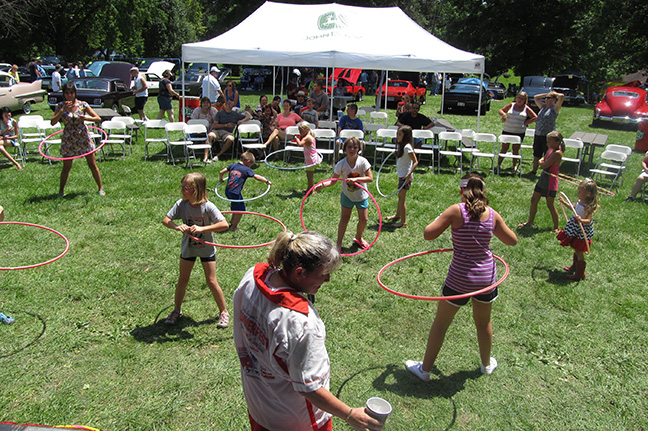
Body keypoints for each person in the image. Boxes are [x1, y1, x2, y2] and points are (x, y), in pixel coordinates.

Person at [233, 230, 384, 431]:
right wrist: (349, 414)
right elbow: (309, 386)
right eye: (323, 274)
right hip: (297, 420)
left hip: (260, 407)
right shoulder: (301, 322)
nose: (328, 280)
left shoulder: (252, 276)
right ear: (300, 272)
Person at [405, 174, 518, 381]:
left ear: (461, 191)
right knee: (483, 323)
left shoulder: (456, 211)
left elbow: (428, 234)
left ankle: (425, 370)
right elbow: (512, 240)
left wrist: (440, 217)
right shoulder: (492, 214)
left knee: (441, 324)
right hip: (485, 278)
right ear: (483, 191)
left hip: (460, 278)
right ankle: (486, 365)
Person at [162, 172, 231, 328]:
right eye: (182, 186)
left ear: (197, 189)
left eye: (186, 187)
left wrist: (203, 228)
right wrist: (177, 226)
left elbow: (224, 225)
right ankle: (177, 310)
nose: (182, 190)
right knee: (182, 280)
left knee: (211, 281)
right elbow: (166, 220)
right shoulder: (181, 204)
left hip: (206, 249)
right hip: (188, 248)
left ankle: (224, 312)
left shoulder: (208, 207)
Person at [315, 137, 373, 251]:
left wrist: (356, 180)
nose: (352, 149)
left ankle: (359, 237)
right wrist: (322, 185)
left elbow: (370, 178)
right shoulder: (341, 164)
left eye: (355, 147)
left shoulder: (363, 162)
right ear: (345, 148)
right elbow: (333, 181)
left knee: (364, 219)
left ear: (359, 149)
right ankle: (339, 243)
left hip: (361, 196)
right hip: (347, 195)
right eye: (349, 147)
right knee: (344, 218)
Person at [50, 82, 104, 196]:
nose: (69, 95)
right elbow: (52, 122)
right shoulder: (60, 106)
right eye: (67, 93)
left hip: (82, 137)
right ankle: (61, 191)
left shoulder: (82, 105)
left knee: (92, 164)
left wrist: (86, 118)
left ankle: (100, 188)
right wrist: (62, 110)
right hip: (69, 138)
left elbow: (98, 118)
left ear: (75, 93)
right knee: (66, 167)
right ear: (64, 94)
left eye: (71, 93)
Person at [519, 131, 564, 232]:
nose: (547, 143)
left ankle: (556, 227)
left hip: (550, 181)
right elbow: (543, 160)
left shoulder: (557, 153)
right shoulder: (550, 150)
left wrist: (541, 162)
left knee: (550, 204)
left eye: (549, 142)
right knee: (534, 199)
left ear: (556, 143)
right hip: (543, 178)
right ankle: (530, 222)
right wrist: (541, 161)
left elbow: (544, 164)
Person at [556, 179, 599, 281]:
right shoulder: (580, 202)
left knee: (579, 251)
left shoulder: (588, 206)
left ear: (588, 194)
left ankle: (580, 273)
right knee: (575, 248)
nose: (578, 193)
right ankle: (574, 266)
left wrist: (581, 220)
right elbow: (574, 208)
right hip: (576, 228)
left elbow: (588, 220)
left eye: (580, 192)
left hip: (582, 230)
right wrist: (564, 202)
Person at [218, 152, 271, 231]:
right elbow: (256, 177)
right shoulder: (246, 169)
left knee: (235, 205)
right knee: (241, 210)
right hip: (235, 192)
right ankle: (234, 227)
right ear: (248, 161)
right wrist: (266, 181)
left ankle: (233, 220)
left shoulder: (233, 165)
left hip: (228, 191)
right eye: (251, 165)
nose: (250, 167)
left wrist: (221, 179)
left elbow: (221, 172)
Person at [384, 126, 418, 228]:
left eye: (400, 134)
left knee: (402, 198)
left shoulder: (407, 147)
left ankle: (403, 222)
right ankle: (397, 215)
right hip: (402, 175)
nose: (397, 136)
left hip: (405, 177)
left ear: (405, 136)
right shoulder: (402, 146)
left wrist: (408, 175)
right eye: (397, 134)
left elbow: (415, 162)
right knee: (400, 196)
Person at [497, 92, 537, 172]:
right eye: (518, 97)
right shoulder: (511, 105)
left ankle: (514, 166)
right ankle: (498, 165)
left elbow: (535, 117)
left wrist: (527, 122)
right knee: (504, 148)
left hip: (519, 132)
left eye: (522, 98)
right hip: (507, 130)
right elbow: (500, 110)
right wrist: (504, 115)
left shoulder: (526, 108)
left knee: (515, 149)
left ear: (525, 100)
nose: (519, 100)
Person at [531, 91, 565, 175]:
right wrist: (547, 94)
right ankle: (534, 171)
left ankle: (546, 171)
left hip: (548, 136)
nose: (546, 99)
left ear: (554, 100)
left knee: (548, 153)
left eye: (549, 98)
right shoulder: (543, 106)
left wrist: (554, 94)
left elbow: (562, 96)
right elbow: (536, 97)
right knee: (536, 153)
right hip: (538, 133)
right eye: (546, 98)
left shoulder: (555, 108)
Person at [295, 121, 322, 193]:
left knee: (309, 176)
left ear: (307, 129)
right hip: (313, 157)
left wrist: (297, 139)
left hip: (310, 159)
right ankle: (310, 189)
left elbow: (300, 144)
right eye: (299, 130)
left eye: (301, 130)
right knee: (310, 175)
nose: (300, 132)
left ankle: (310, 190)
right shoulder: (311, 136)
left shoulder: (307, 138)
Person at [191, 96, 218, 164]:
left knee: (210, 136)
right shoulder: (197, 110)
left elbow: (216, 121)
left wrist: (210, 130)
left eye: (207, 103)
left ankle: (207, 153)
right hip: (197, 130)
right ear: (201, 104)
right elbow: (192, 121)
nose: (206, 104)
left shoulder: (213, 110)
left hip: (210, 129)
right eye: (204, 103)